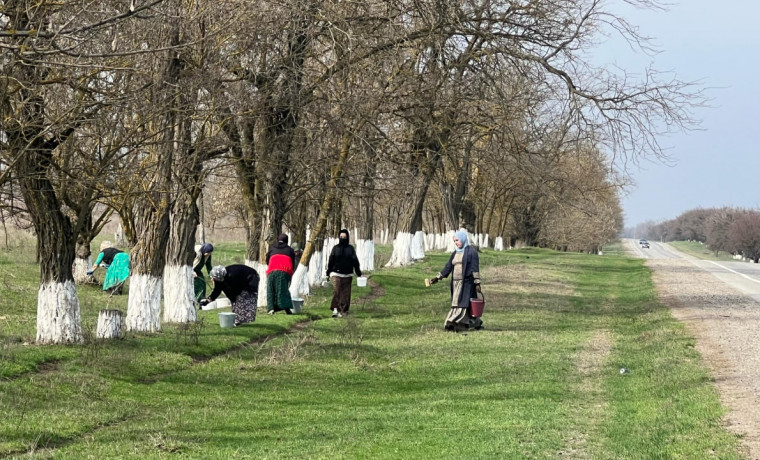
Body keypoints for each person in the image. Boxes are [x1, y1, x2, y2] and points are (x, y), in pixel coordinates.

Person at [429, 230, 483, 331]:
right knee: (457, 302)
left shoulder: (471, 252)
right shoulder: (455, 253)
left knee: (461, 303)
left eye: (457, 240)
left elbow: (475, 268)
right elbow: (448, 267)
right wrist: (437, 277)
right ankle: (470, 323)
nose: (456, 243)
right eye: (454, 241)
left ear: (462, 239)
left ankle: (452, 322)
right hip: (455, 283)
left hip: (466, 283)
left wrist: (477, 283)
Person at [326, 229, 362, 318]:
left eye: (344, 237)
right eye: (341, 237)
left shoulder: (350, 249)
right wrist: (328, 271)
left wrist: (358, 272)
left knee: (346, 294)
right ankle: (335, 309)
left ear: (347, 237)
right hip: (336, 274)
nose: (342, 238)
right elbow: (331, 260)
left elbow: (355, 261)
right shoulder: (335, 248)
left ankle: (344, 310)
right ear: (339, 237)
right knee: (336, 291)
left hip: (348, 274)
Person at [266, 233, 296, 315]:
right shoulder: (290, 250)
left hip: (272, 270)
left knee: (270, 289)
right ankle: (287, 309)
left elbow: (267, 260)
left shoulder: (271, 247)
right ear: (287, 241)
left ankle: (271, 309)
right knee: (284, 290)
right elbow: (293, 263)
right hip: (285, 271)